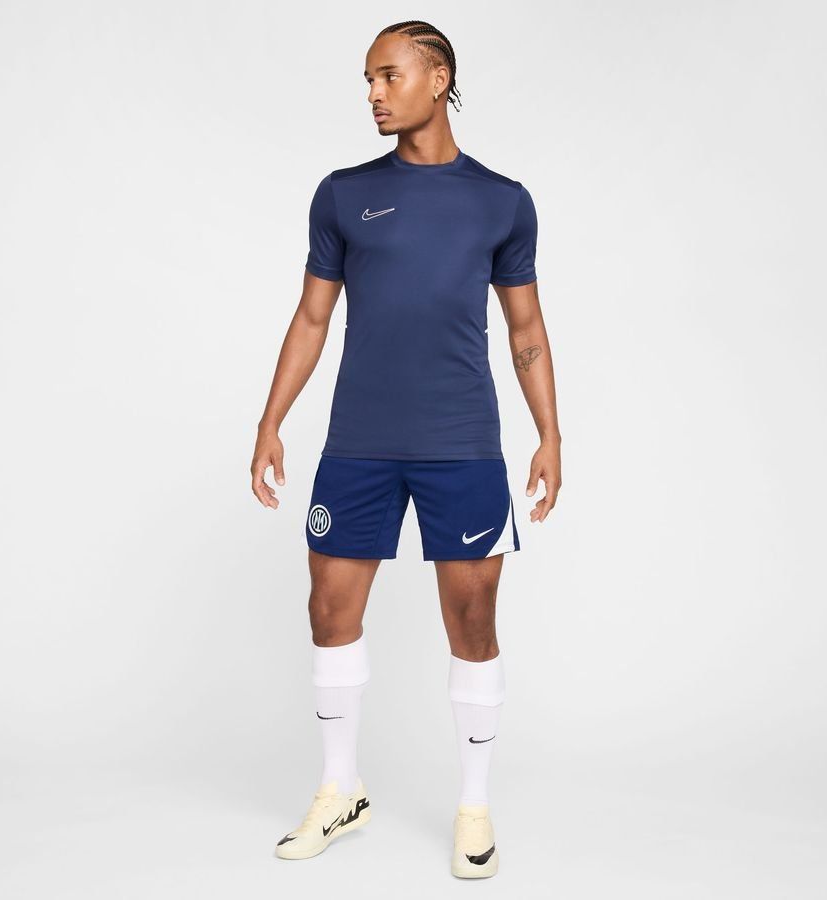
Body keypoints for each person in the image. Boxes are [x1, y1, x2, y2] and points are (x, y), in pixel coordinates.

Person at [251, 20, 561, 879]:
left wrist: (550, 434)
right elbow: (312, 317)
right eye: (368, 79)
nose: (374, 94)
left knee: (472, 619)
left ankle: (473, 806)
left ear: (439, 76)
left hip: (462, 443)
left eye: (389, 76)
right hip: (359, 441)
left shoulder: (502, 200)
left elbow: (526, 329)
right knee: (329, 609)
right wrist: (271, 420)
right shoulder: (343, 194)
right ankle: (340, 788)